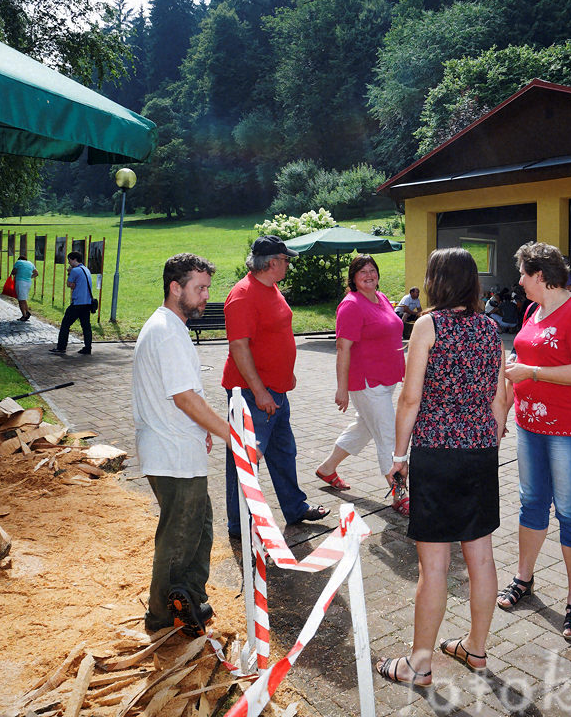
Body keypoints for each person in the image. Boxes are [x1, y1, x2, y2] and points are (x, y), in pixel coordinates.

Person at [374, 248, 510, 683]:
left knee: (433, 566)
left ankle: (419, 662)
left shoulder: (429, 325)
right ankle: (476, 649)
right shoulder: (491, 328)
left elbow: (410, 398)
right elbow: (499, 399)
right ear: (471, 282)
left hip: (437, 452)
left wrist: (398, 456)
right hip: (479, 453)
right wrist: (490, 436)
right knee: (482, 557)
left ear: (436, 281)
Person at [498, 242, 571, 642]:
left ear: (540, 275)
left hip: (570, 429)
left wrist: (534, 373)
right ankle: (524, 578)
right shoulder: (531, 311)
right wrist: (504, 415)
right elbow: (515, 369)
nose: (520, 281)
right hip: (531, 425)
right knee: (531, 502)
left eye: (523, 274)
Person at [132, 253, 232, 635]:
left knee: (199, 529)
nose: (205, 296)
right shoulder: (168, 332)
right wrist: (228, 432)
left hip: (178, 450)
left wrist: (202, 429)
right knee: (178, 542)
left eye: (207, 288)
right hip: (171, 454)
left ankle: (187, 599)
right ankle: (162, 619)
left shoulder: (168, 328)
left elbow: (184, 397)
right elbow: (184, 397)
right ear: (176, 288)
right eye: (199, 288)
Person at [222, 236, 329, 538]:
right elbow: (239, 348)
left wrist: (285, 374)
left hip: (275, 391)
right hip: (251, 394)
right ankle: (239, 524)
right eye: (285, 259)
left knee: (284, 452)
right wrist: (259, 391)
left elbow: (276, 333)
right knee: (246, 459)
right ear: (272, 263)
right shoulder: (243, 295)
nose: (288, 263)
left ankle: (295, 508)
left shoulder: (270, 288)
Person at [314, 256, 407, 513]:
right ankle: (399, 493)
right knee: (388, 434)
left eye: (372, 270)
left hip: (386, 379)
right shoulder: (351, 305)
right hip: (366, 383)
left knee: (363, 428)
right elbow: (343, 348)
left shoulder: (382, 298)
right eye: (362, 271)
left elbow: (391, 337)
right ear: (353, 278)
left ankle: (327, 469)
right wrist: (341, 388)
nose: (368, 275)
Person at [50, 250, 93, 355]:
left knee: (65, 324)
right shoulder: (86, 269)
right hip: (87, 302)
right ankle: (88, 347)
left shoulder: (74, 271)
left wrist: (69, 272)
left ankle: (61, 347)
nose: (69, 263)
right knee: (86, 326)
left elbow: (70, 285)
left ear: (74, 259)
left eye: (69, 260)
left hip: (77, 302)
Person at [11, 254, 38, 321]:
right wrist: (29, 277)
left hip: (20, 282)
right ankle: (27, 312)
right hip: (28, 282)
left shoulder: (18, 262)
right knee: (23, 298)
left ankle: (24, 315)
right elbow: (36, 273)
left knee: (21, 300)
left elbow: (13, 272)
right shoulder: (30, 263)